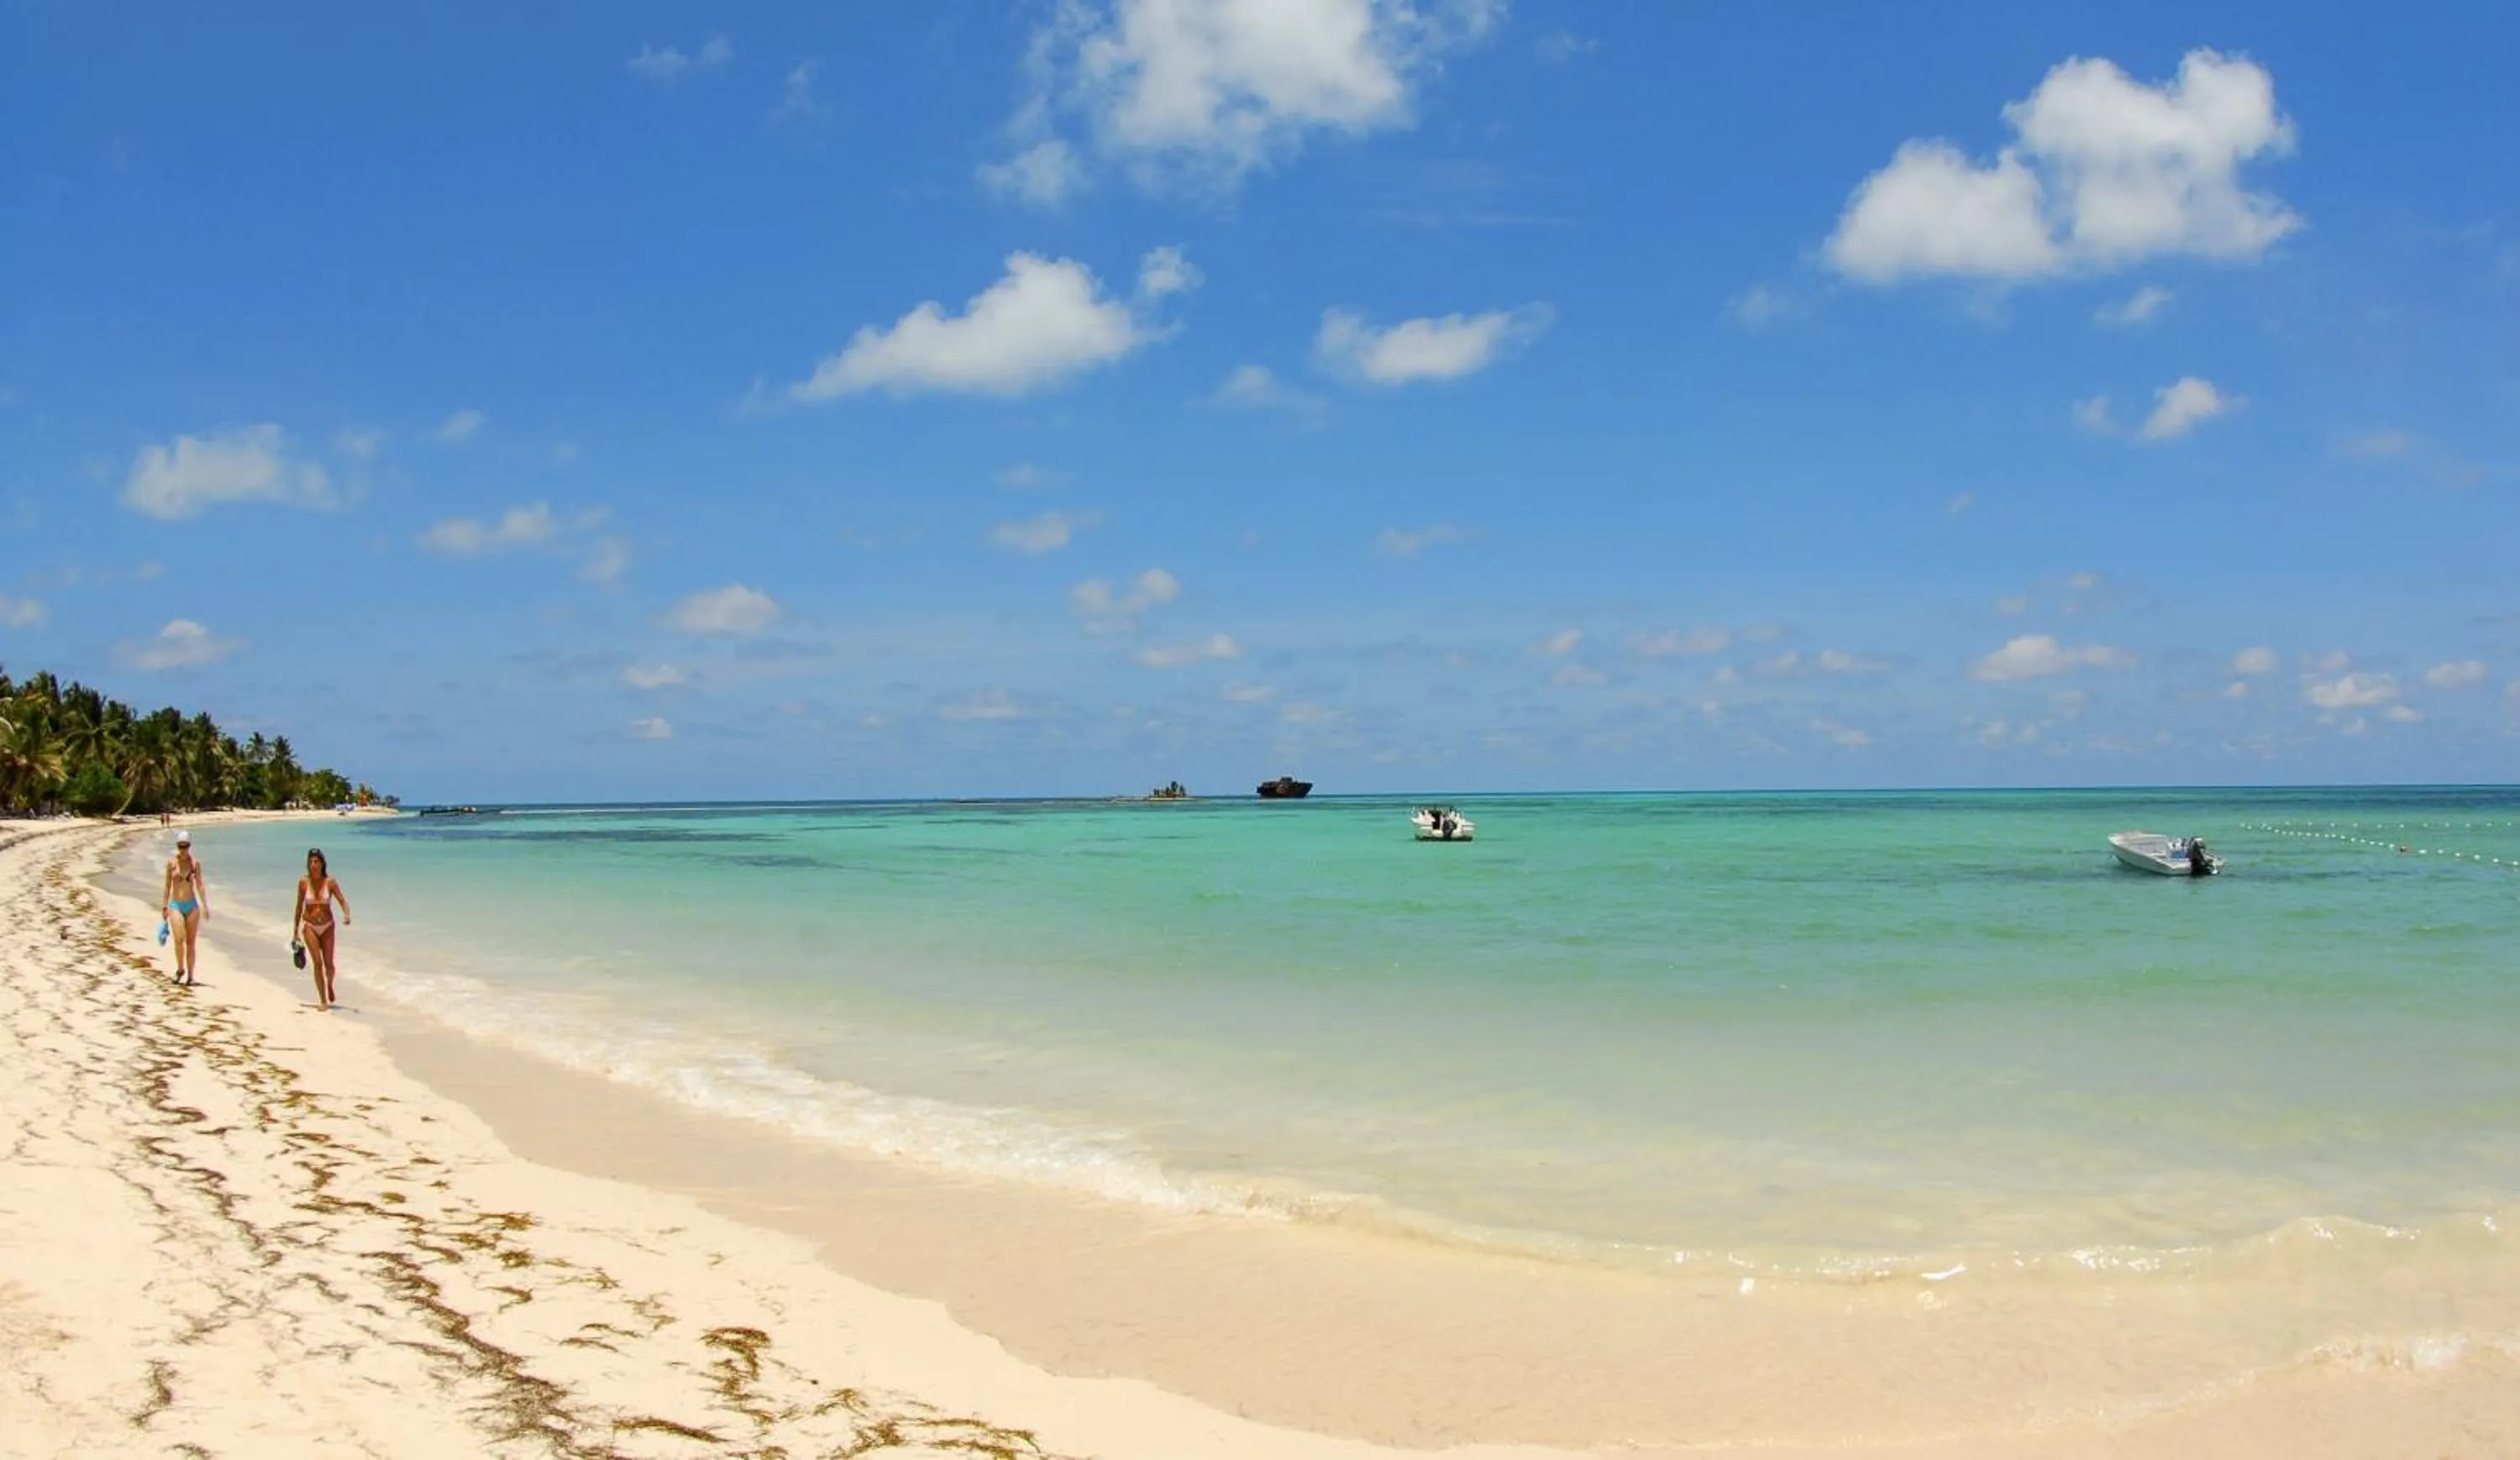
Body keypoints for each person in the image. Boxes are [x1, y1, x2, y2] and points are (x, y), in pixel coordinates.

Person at [293, 848, 354, 1011]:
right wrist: (295, 933)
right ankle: (323, 1000)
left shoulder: (330, 882)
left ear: (322, 863)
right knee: (318, 963)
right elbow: (299, 908)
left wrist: (347, 915)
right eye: (311, 861)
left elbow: (343, 901)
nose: (314, 864)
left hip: (327, 927)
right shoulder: (303, 883)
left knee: (330, 965)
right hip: (310, 926)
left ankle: (330, 985)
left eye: (316, 861)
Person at [160, 831, 209, 986]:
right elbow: (167, 886)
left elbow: (200, 885)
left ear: (189, 846)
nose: (183, 850)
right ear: (177, 846)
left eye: (186, 846)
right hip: (176, 905)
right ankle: (180, 969)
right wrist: (164, 906)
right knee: (179, 940)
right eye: (181, 847)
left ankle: (191, 976)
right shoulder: (171, 863)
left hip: (192, 906)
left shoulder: (195, 864)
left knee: (191, 942)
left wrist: (205, 905)